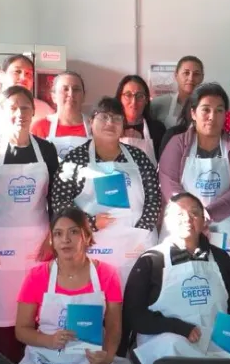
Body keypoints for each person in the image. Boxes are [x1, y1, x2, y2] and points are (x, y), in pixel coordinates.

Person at [14, 208, 132, 364]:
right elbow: (22, 330)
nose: (65, 240)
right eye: (58, 234)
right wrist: (48, 340)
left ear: (87, 237)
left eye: (73, 232)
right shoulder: (38, 275)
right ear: (52, 240)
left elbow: (115, 325)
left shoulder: (106, 274)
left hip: (88, 358)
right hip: (47, 355)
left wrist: (107, 355)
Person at [0, 85, 59, 364]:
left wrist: (50, 241)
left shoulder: (46, 150)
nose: (19, 113)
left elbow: (54, 200)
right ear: (3, 112)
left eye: (25, 107)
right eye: (13, 108)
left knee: (35, 312)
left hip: (37, 245)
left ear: (33, 112)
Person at [126, 193, 230, 364]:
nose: (187, 219)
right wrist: (178, 328)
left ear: (203, 220)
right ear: (167, 221)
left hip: (216, 345)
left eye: (194, 214)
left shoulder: (221, 258)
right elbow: (134, 315)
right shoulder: (151, 261)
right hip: (168, 345)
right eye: (180, 214)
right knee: (173, 346)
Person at [52, 97, 161, 291]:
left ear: (123, 125)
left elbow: (154, 197)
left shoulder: (138, 157)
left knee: (134, 299)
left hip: (134, 243)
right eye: (104, 117)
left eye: (116, 118)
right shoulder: (75, 159)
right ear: (91, 122)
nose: (110, 123)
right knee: (94, 297)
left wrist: (139, 229)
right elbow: (60, 201)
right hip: (91, 242)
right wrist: (89, 223)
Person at [158, 83, 230, 251]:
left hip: (223, 223)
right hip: (182, 221)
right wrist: (192, 216)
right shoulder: (177, 144)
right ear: (193, 113)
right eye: (206, 110)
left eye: (219, 110)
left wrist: (208, 215)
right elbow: (168, 181)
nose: (212, 116)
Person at [0, 54, 54, 130]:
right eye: (17, 72)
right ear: (1, 76)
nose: (23, 78)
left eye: (28, 73)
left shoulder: (45, 110)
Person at [31, 71, 90, 160]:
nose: (71, 94)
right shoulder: (39, 127)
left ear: (84, 96)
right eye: (65, 89)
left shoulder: (94, 126)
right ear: (53, 96)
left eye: (76, 89)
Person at [116, 75, 166, 162]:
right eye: (128, 95)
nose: (134, 102)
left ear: (146, 100)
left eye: (140, 96)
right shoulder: (111, 127)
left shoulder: (157, 129)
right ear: (120, 98)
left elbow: (164, 164)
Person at [151, 56, 204, 128]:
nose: (191, 78)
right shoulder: (158, 103)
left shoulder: (208, 106)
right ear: (176, 75)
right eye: (186, 73)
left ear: (202, 78)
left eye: (196, 74)